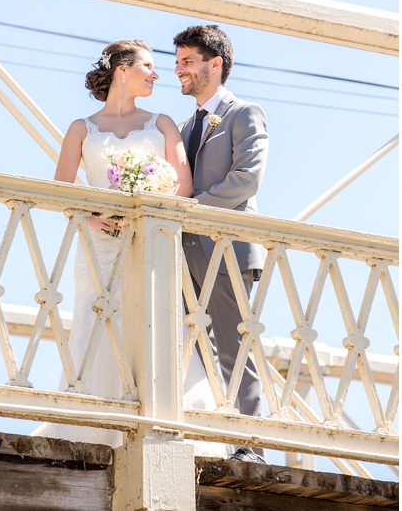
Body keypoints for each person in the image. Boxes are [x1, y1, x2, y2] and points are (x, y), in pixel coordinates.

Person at [36, 39, 224, 454]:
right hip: (98, 246)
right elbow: (60, 191)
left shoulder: (162, 124)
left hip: (149, 243)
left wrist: (146, 207)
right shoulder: (80, 129)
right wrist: (93, 215)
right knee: (97, 320)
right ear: (122, 70)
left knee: (160, 319)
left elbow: (184, 185)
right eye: (148, 66)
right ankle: (93, 426)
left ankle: (165, 421)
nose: (157, 74)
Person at [174, 25, 269, 464]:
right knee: (192, 351)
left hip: (227, 248)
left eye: (187, 61)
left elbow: (246, 180)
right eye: (177, 62)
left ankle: (250, 449)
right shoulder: (179, 127)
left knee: (234, 349)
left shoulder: (243, 112)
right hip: (181, 252)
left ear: (216, 65)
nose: (179, 69)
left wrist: (192, 208)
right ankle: (209, 441)